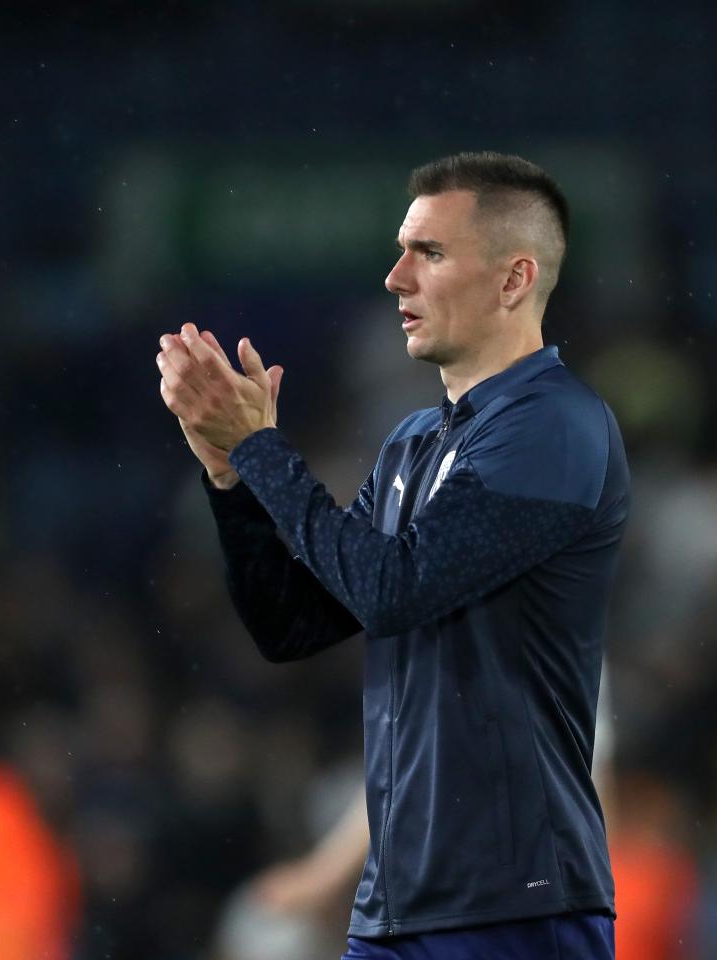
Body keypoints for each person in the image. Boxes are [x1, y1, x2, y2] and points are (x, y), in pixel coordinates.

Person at [156, 151, 629, 959]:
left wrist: (265, 449)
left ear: (514, 279)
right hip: (397, 909)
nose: (394, 278)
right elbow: (293, 624)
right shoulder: (414, 445)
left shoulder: (555, 428)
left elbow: (390, 590)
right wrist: (233, 476)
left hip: (514, 909)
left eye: (429, 253)